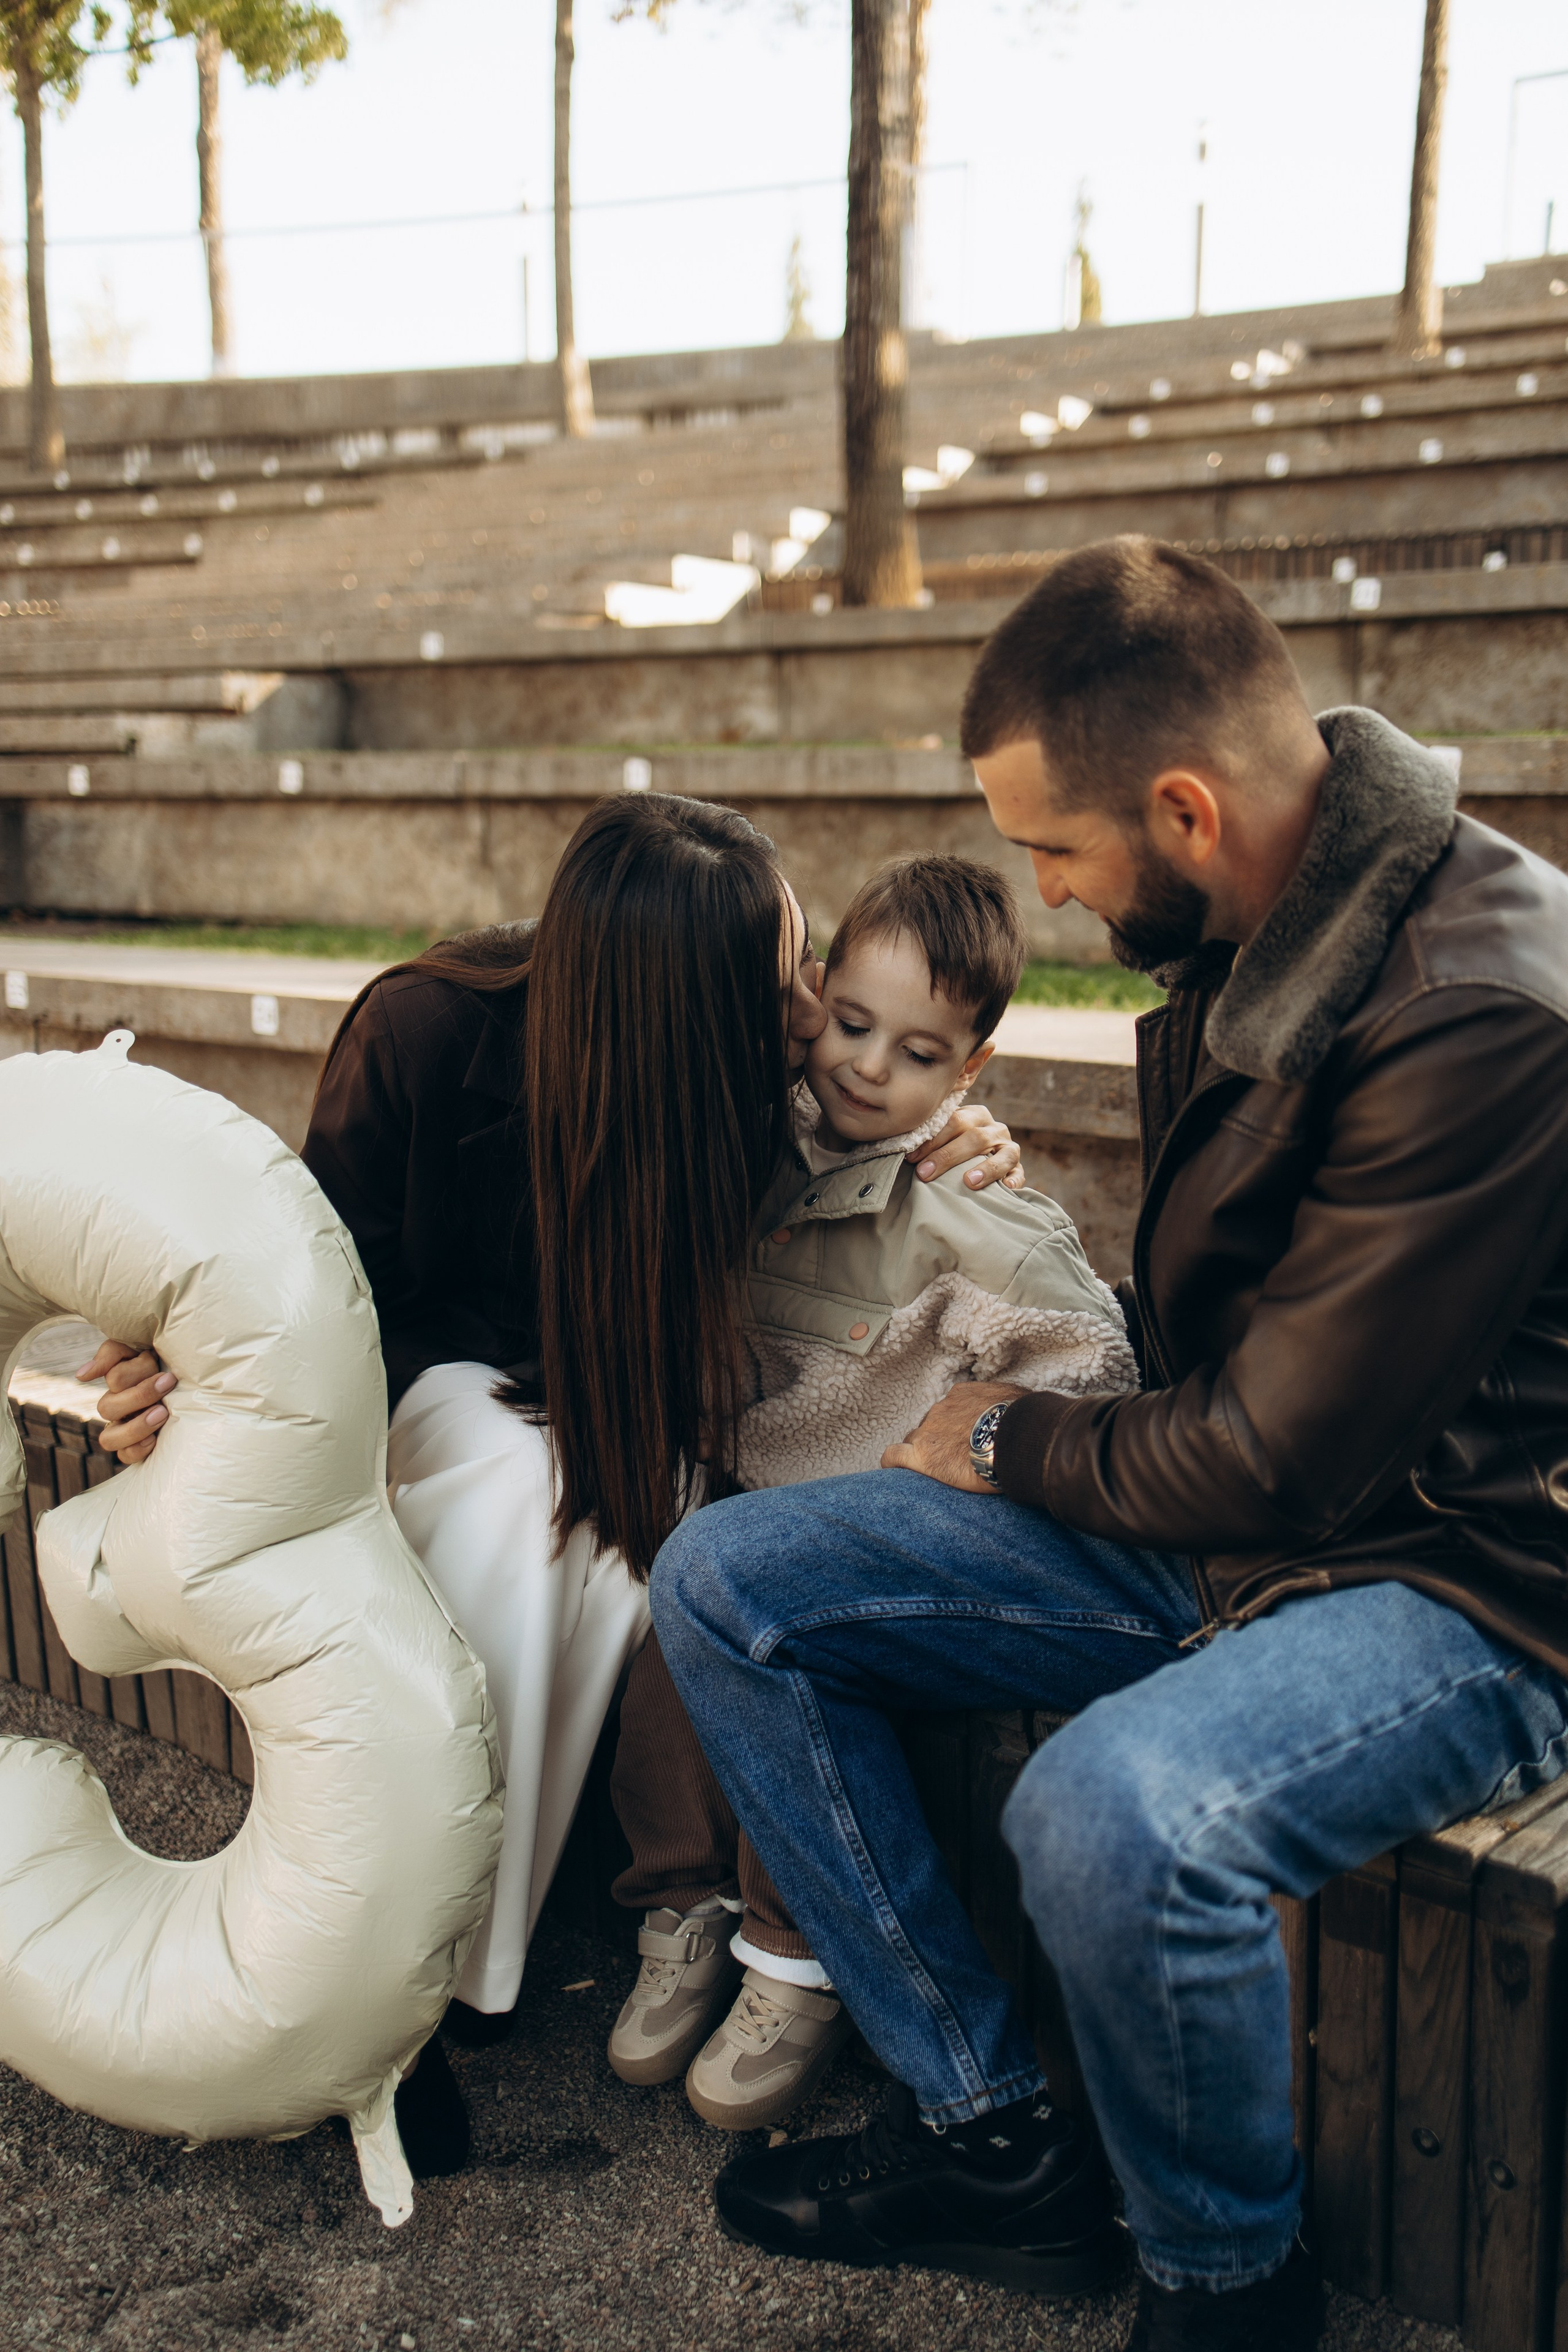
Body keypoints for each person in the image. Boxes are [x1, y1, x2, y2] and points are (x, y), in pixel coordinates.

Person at [649, 537, 1568, 2350]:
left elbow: (1275, 1457)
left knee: (1110, 1816)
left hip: (1459, 1582)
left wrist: (1003, 1440)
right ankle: (995, 2133)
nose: (1048, 895)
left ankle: (1229, 2289)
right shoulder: (1279, 923)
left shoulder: (1477, 1004)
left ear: (1183, 808)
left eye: (1056, 850)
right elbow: (1232, 1400)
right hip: (1242, 1527)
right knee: (729, 1583)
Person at [82, 792, 1022, 2177]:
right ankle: (388, 1985)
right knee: (526, 1493)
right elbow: (303, 1292)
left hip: (617, 1419)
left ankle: (457, 1967)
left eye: (803, 954)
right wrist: (168, 1379)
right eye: (786, 979)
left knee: (608, 1511)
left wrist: (970, 1145)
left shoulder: (743, 1067)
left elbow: (872, 1144)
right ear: (673, 1010)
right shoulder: (425, 1034)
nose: (811, 1005)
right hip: (425, 1403)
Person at [605, 854, 1137, 2134]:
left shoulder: (973, 1214)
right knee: (666, 1650)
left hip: (867, 1539)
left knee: (799, 1662)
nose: (861, 1068)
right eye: (847, 1024)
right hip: (737, 1509)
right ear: (816, 995)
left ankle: (792, 1964)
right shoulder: (746, 1139)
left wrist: (963, 1444)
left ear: (969, 1074)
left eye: (913, 1053)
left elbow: (1093, 1367)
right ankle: (679, 1900)